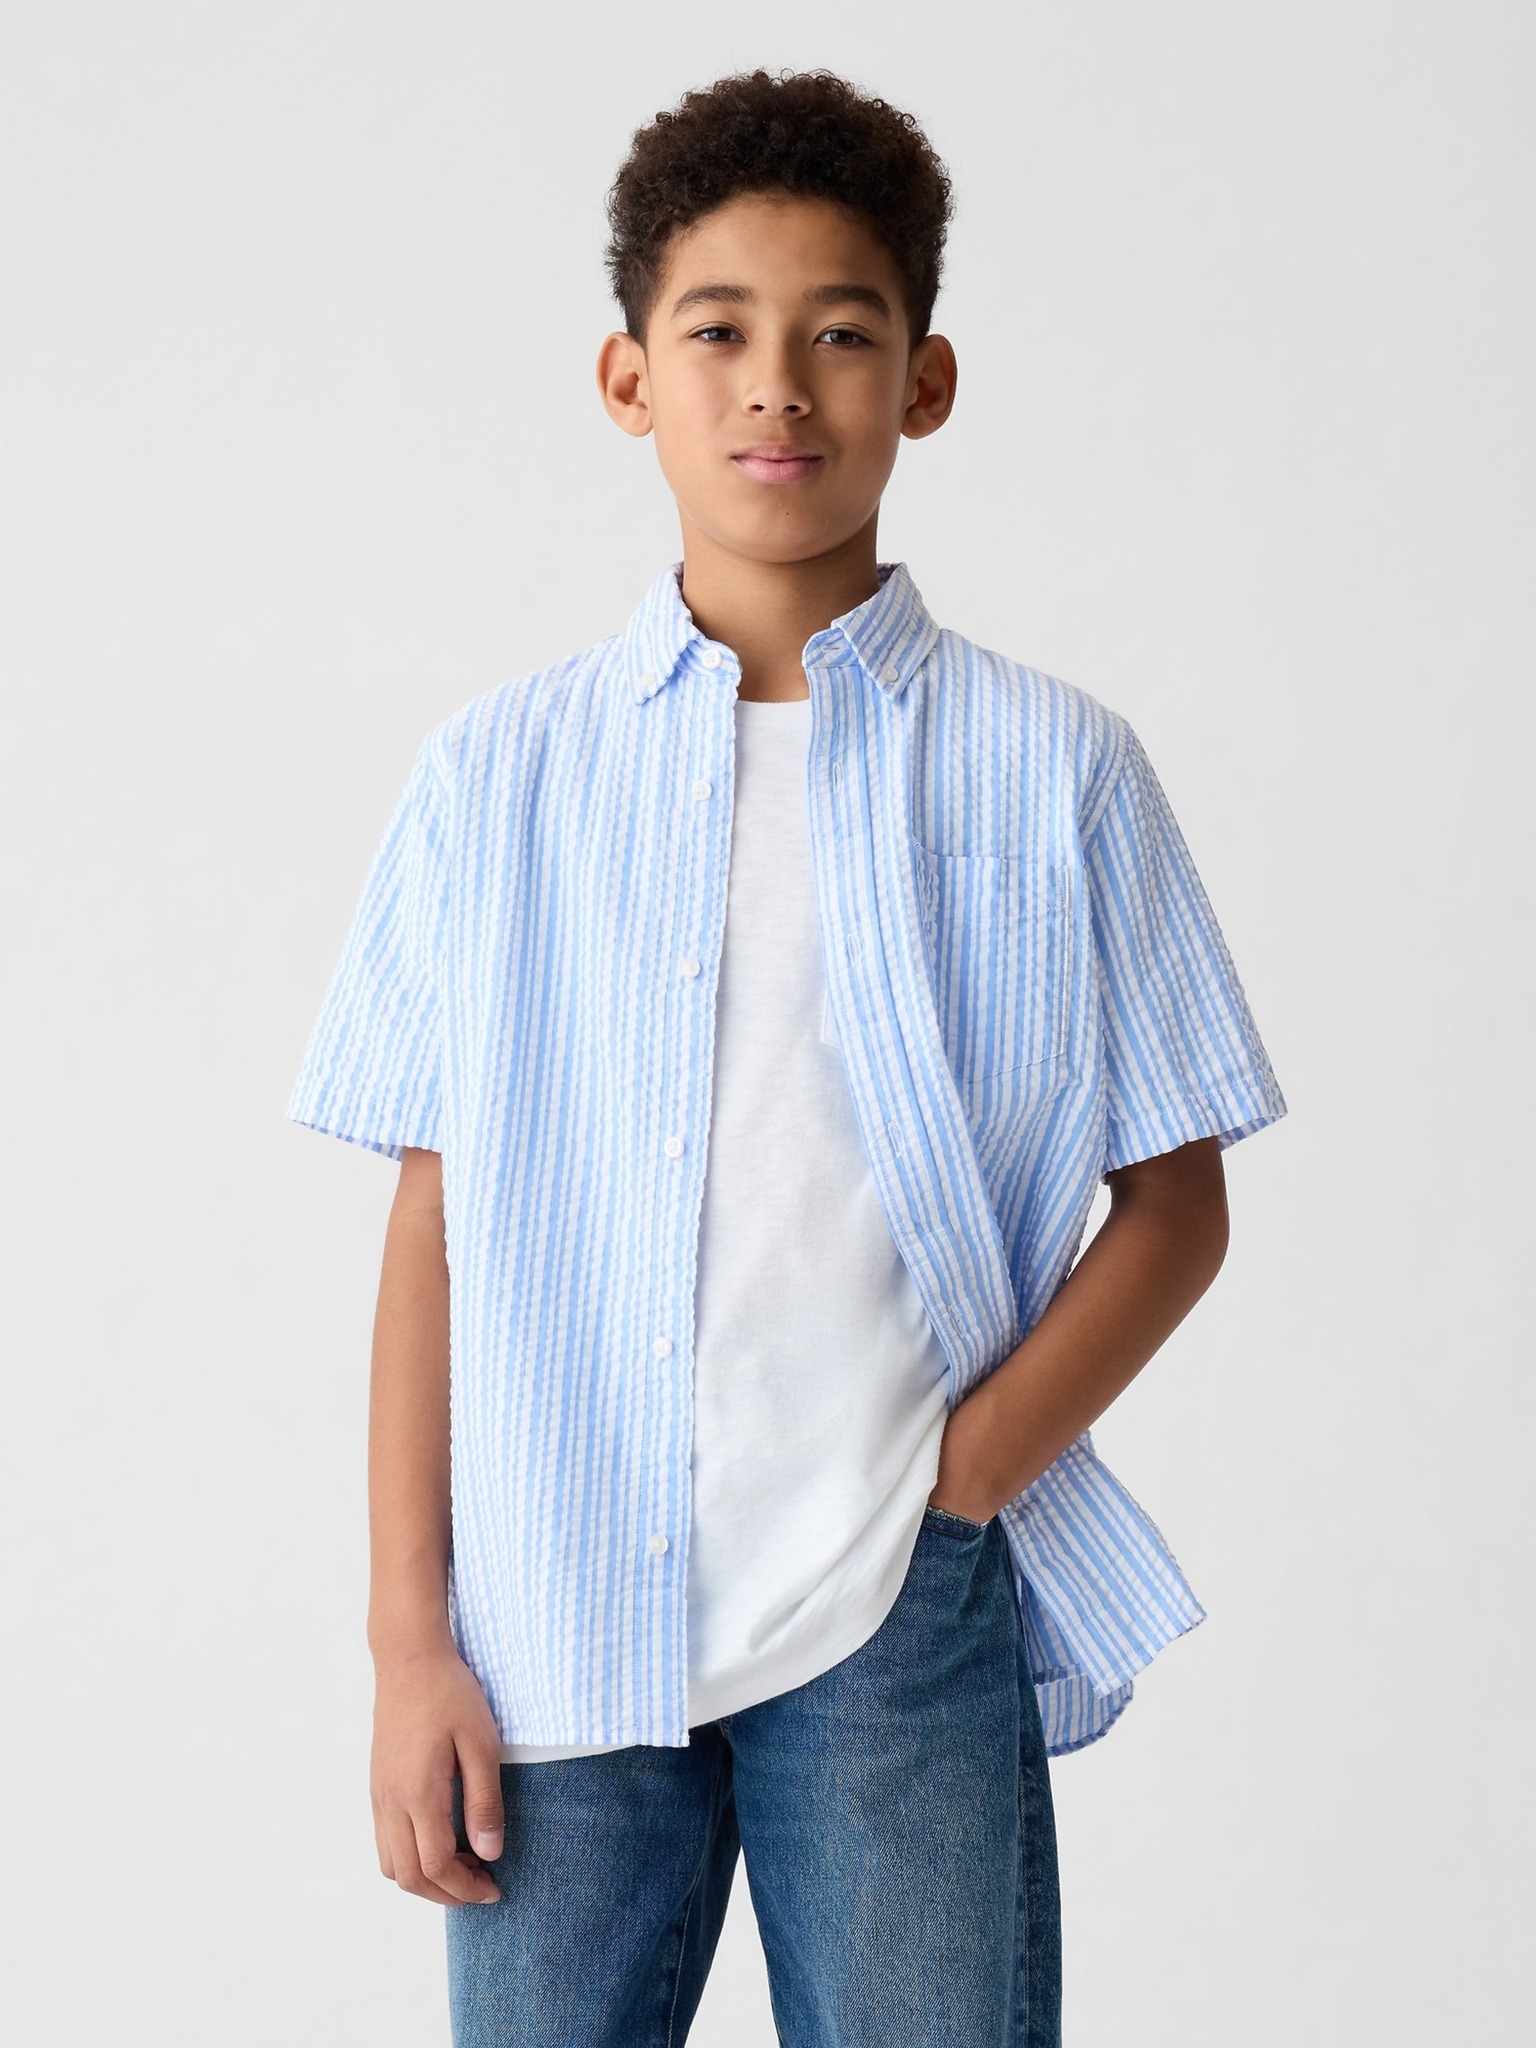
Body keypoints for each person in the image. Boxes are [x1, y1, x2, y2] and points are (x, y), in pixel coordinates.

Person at [285, 66, 1288, 2048]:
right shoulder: (497, 780)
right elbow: (435, 1227)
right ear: (626, 379)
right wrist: (411, 1643)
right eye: (718, 333)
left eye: (840, 334)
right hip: (560, 1615)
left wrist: (962, 1487)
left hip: (899, 1604)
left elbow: (1179, 1206)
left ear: (924, 382)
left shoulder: (1054, 770)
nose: (777, 388)